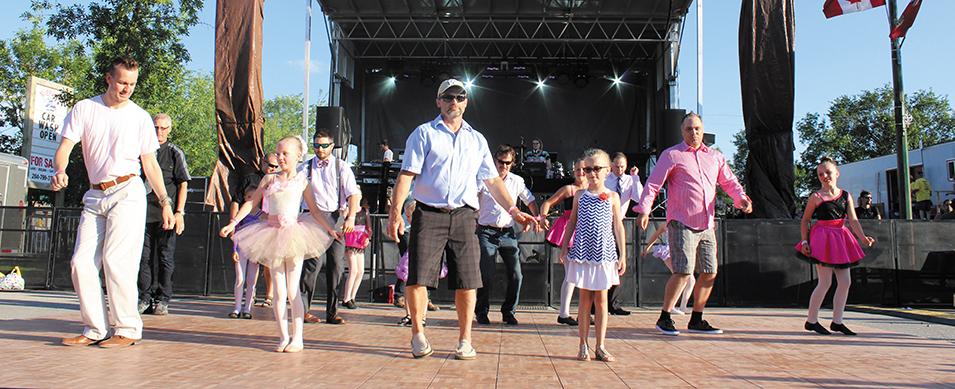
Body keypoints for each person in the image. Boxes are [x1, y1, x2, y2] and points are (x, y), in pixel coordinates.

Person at [386, 79, 533, 360]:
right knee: (418, 278)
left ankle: (465, 340)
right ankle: (417, 334)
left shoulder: (476, 139)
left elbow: (491, 180)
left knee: (468, 280)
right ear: (438, 101)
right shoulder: (424, 133)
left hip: (465, 215)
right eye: (448, 97)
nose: (455, 102)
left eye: (460, 96)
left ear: (466, 102)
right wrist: (395, 214)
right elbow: (406, 176)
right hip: (428, 213)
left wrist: (514, 210)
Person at [54, 56, 176, 348]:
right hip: (95, 195)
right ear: (108, 78)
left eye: (132, 84)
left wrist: (165, 201)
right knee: (81, 263)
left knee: (116, 260)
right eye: (122, 82)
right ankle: (95, 328)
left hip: (128, 191)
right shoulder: (85, 108)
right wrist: (60, 170)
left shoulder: (140, 118)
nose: (126, 89)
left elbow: (150, 164)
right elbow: (65, 148)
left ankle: (128, 328)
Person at [634, 112, 753, 336]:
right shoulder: (672, 155)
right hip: (681, 221)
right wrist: (644, 209)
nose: (694, 132)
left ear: (703, 129)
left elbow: (730, 182)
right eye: (689, 129)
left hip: (707, 223)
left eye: (697, 128)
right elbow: (653, 184)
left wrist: (742, 200)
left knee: (709, 271)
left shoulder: (715, 157)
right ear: (682, 132)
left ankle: (697, 318)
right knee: (683, 271)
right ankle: (665, 317)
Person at [219, 136, 338, 352]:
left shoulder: (303, 182)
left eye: (286, 154)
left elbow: (315, 210)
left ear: (297, 156)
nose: (281, 157)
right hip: (271, 235)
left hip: (293, 234)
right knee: (279, 291)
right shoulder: (269, 180)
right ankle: (283, 336)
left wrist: (329, 229)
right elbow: (251, 204)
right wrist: (234, 223)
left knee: (293, 289)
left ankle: (298, 337)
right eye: (279, 153)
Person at [559, 148, 626, 362]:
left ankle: (601, 345)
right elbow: (572, 223)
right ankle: (582, 344)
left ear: (607, 170)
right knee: (584, 300)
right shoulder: (580, 195)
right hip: (582, 253)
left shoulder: (613, 197)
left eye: (596, 169)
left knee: (602, 299)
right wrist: (564, 247)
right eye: (588, 169)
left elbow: (618, 226)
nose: (592, 173)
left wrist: (622, 254)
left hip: (604, 255)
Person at [798, 157, 876, 336]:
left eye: (828, 172)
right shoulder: (816, 197)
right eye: (820, 174)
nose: (824, 176)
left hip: (840, 237)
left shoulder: (846, 195)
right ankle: (811, 321)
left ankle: (837, 321)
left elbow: (853, 220)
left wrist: (863, 238)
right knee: (825, 282)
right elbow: (805, 221)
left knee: (845, 282)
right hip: (822, 238)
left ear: (837, 173)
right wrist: (804, 241)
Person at [300, 129, 362, 325]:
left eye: (324, 145)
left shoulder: (341, 167)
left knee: (336, 266)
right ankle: (303, 311)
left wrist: (351, 217)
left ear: (332, 146)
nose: (320, 149)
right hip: (312, 218)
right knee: (312, 265)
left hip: (336, 217)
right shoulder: (305, 167)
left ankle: (332, 312)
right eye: (316, 145)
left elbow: (354, 194)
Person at [475, 144, 539, 326]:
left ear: (513, 163)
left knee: (516, 274)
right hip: (486, 231)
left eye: (507, 163)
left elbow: (530, 199)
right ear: (494, 161)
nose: (503, 166)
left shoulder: (517, 181)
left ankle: (509, 312)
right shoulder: (484, 179)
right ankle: (481, 311)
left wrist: (537, 217)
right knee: (486, 274)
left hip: (507, 232)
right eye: (500, 162)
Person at [137, 113, 190, 316]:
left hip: (166, 214)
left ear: (169, 129)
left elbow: (183, 183)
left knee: (165, 256)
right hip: (142, 212)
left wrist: (179, 212)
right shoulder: (140, 150)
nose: (159, 132)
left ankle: (163, 299)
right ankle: (144, 297)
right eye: (156, 127)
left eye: (163, 128)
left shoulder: (175, 152)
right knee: (143, 257)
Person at [540, 157, 587, 326]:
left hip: (586, 233)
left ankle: (582, 312)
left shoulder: (594, 189)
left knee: (584, 276)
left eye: (584, 169)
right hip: (570, 231)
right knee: (572, 274)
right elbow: (548, 203)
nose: (581, 173)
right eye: (577, 170)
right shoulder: (570, 189)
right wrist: (543, 217)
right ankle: (564, 313)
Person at [603, 152, 644, 316]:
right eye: (617, 166)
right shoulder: (606, 179)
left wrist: (635, 178)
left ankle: (613, 302)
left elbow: (639, 197)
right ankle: (598, 302)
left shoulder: (628, 180)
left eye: (622, 166)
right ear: (611, 165)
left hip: (618, 223)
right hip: (605, 222)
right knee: (603, 261)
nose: (619, 169)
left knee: (619, 263)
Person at [641, 224, 694, 314]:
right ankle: (672, 306)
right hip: (669, 251)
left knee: (691, 280)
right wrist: (646, 248)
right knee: (681, 277)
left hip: (679, 251)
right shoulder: (667, 224)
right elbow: (655, 236)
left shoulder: (685, 223)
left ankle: (682, 306)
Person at [229, 185, 263, 319]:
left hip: (255, 250)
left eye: (254, 197)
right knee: (240, 279)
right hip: (242, 248)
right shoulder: (241, 216)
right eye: (249, 197)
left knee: (251, 280)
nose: (251, 200)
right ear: (244, 198)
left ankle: (247, 308)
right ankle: (237, 307)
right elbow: (236, 233)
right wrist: (234, 249)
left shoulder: (262, 215)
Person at [342, 199, 373, 309]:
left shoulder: (365, 211)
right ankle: (346, 298)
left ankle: (352, 296)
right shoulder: (347, 210)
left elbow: (369, 227)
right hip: (350, 241)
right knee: (353, 270)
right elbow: (342, 222)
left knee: (361, 271)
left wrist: (368, 237)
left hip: (360, 241)